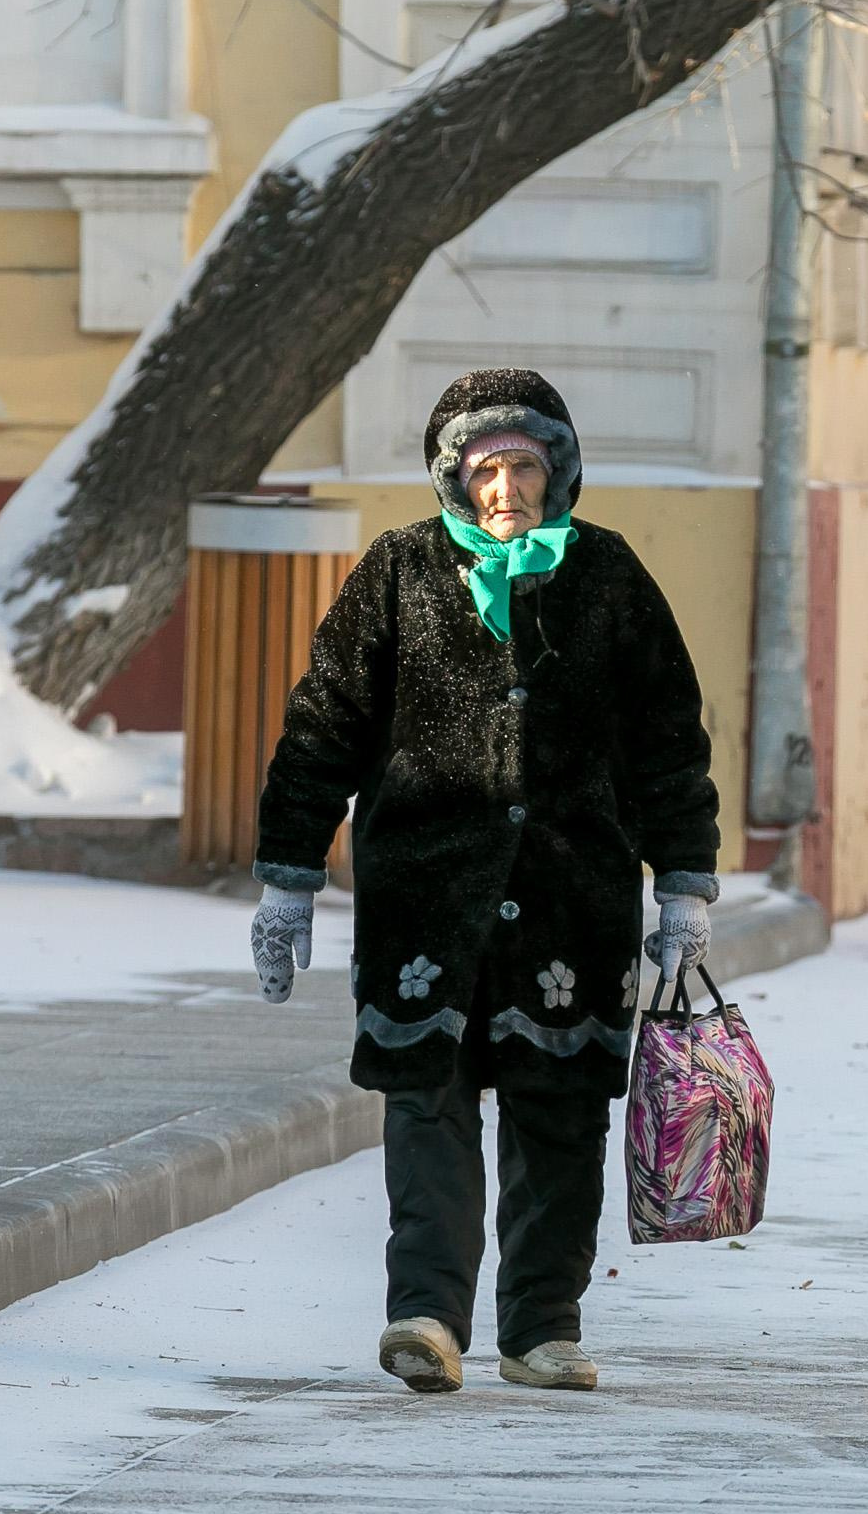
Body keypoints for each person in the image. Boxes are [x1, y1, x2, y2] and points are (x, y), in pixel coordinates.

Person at [246, 368, 721, 1397]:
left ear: (561, 474)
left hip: (571, 892)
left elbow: (666, 740)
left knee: (560, 1116)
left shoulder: (608, 576)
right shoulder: (400, 570)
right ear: (454, 478)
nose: (508, 485)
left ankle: (542, 1328)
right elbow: (325, 724)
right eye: (487, 467)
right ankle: (425, 1314)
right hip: (426, 893)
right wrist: (289, 873)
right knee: (427, 1104)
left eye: (528, 466)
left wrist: (684, 881)